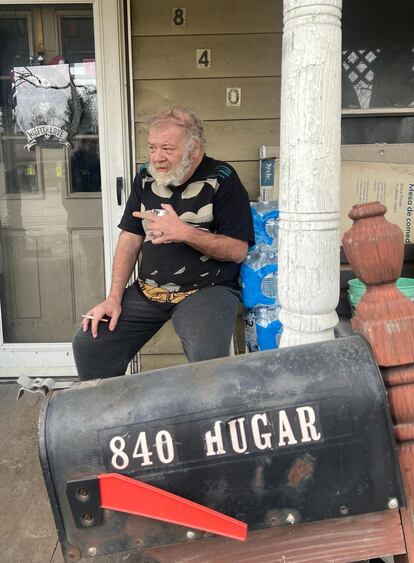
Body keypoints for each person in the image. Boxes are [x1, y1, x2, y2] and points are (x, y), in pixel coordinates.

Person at [72, 107, 254, 380]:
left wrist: (184, 232)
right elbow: (130, 237)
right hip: (150, 291)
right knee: (90, 343)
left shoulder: (223, 178)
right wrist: (114, 298)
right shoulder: (145, 177)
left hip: (206, 290)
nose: (157, 158)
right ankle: (111, 416)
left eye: (167, 148)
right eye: (152, 147)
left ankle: (203, 418)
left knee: (208, 365)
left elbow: (238, 251)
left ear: (194, 148)